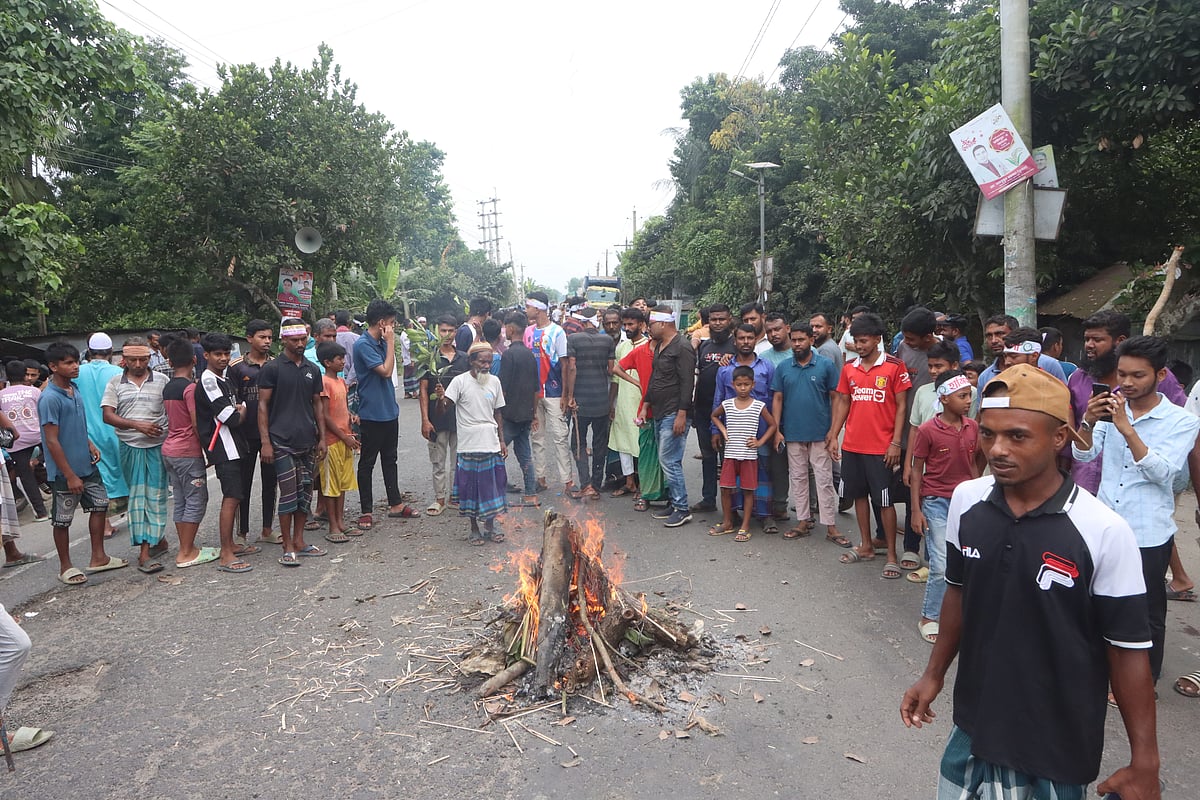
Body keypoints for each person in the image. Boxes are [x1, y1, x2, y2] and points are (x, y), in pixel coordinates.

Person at [901, 363, 1160, 800]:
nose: (998, 449)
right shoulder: (968, 502)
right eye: (987, 433)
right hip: (973, 726)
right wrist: (933, 674)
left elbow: (1128, 650)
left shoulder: (1104, 531)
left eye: (1017, 436)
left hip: (1054, 744)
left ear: (1059, 438)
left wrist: (1145, 761)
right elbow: (959, 593)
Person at [1073, 336, 1198, 694]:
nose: (1126, 383)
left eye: (1137, 376)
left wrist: (1126, 430)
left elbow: (1164, 474)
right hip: (1104, 524)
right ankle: (1098, 669)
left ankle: (1143, 681)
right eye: (1122, 375)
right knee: (1096, 599)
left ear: (1160, 375)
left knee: (1145, 611)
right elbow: (1083, 455)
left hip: (1147, 530)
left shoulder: (1181, 421)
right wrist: (1087, 422)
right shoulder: (1111, 408)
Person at [1066, 310, 1186, 495]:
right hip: (1085, 485)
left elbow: (1181, 426)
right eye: (1086, 339)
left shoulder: (1160, 379)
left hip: (1141, 489)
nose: (1089, 345)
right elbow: (1073, 434)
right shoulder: (1077, 378)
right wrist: (1088, 420)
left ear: (1119, 340)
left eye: (1097, 340)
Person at [828, 312, 911, 578]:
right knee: (858, 496)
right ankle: (865, 545)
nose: (858, 346)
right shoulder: (849, 369)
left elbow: (901, 407)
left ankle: (890, 554)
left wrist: (896, 443)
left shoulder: (894, 367)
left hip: (881, 448)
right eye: (856, 341)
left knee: (884, 501)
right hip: (853, 446)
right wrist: (833, 435)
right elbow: (842, 402)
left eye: (864, 341)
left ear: (877, 339)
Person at [38, 342, 125, 586]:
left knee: (100, 505)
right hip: (64, 472)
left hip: (86, 464)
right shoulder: (49, 398)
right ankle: (65, 565)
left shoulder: (74, 389)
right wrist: (69, 474)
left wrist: (88, 444)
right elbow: (52, 441)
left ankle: (99, 556)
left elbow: (75, 425)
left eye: (76, 361)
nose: (75, 366)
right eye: (68, 362)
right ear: (53, 366)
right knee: (62, 519)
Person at [909, 370, 980, 645]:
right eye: (962, 396)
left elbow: (972, 463)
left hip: (965, 501)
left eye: (969, 396)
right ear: (945, 398)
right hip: (936, 501)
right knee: (940, 563)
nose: (967, 401)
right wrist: (916, 510)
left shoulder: (972, 427)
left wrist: (978, 496)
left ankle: (960, 613)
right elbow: (917, 471)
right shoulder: (928, 430)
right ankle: (929, 616)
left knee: (966, 559)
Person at [259, 320, 327, 567]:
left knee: (305, 494)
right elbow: (263, 406)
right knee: (288, 494)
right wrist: (265, 442)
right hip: (281, 442)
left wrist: (322, 437)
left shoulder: (312, 368)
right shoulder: (273, 368)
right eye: (294, 340)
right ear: (284, 340)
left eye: (302, 339)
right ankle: (287, 545)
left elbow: (317, 404)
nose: (299, 344)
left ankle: (300, 541)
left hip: (307, 441)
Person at [100, 336, 170, 574]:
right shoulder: (114, 383)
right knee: (139, 498)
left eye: (142, 359)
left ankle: (157, 539)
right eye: (133, 359)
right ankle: (144, 552)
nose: (138, 364)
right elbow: (108, 415)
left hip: (158, 447)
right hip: (130, 446)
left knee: (157, 496)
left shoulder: (162, 380)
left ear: (150, 358)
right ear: (124, 360)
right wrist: (137, 425)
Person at [771, 322, 845, 545]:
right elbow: (777, 399)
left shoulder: (825, 365)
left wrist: (833, 432)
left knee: (823, 479)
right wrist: (776, 431)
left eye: (801, 339)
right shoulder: (783, 367)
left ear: (811, 340)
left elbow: (836, 398)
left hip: (820, 433)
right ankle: (803, 521)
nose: (796, 344)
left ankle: (831, 526)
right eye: (793, 340)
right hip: (792, 433)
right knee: (798, 478)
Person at [353, 299, 419, 529]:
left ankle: (396, 504)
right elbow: (386, 371)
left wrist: (387, 342)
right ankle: (366, 510)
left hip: (390, 410)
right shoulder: (363, 344)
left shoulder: (380, 341)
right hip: (372, 413)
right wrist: (391, 342)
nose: (393, 328)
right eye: (391, 323)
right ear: (381, 323)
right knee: (367, 463)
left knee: (390, 459)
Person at [194, 333, 254, 574]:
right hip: (223, 446)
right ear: (206, 355)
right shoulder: (208, 381)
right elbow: (232, 416)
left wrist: (241, 409)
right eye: (217, 354)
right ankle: (225, 554)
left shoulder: (223, 378)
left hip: (235, 445)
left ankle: (231, 545)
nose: (222, 358)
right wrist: (241, 411)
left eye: (226, 354)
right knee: (231, 497)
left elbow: (239, 406)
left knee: (236, 495)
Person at [711, 324, 777, 531]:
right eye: (742, 338)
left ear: (756, 339)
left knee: (763, 472)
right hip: (734, 433)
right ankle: (733, 516)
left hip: (760, 430)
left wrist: (776, 431)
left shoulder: (766, 367)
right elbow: (718, 400)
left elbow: (775, 398)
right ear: (735, 340)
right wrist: (716, 431)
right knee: (732, 475)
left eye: (750, 338)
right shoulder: (725, 370)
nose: (746, 342)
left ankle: (765, 516)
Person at [441, 342, 508, 544]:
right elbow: (444, 409)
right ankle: (474, 528)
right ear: (471, 361)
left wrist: (502, 440)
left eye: (489, 361)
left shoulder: (494, 381)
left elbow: (498, 413)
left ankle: (490, 525)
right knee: (470, 489)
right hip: (469, 445)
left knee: (491, 489)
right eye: (482, 361)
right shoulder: (459, 382)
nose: (486, 365)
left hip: (491, 443)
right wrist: (440, 398)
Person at [159, 337, 217, 570]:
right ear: (195, 359)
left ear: (169, 361)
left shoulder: (168, 387)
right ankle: (186, 552)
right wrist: (208, 451)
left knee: (181, 499)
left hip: (169, 450)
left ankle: (186, 546)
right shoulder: (190, 389)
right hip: (187, 451)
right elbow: (196, 423)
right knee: (196, 498)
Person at [644, 305, 695, 528]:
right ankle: (675, 503)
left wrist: (682, 414)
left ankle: (682, 508)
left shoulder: (682, 347)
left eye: (651, 324)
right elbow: (655, 378)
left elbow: (687, 382)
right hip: (660, 410)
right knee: (668, 460)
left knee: (669, 460)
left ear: (663, 323)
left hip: (674, 412)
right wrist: (646, 404)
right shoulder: (660, 346)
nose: (649, 328)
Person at [228, 319, 278, 545]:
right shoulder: (236, 367)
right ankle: (241, 533)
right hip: (245, 435)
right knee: (243, 484)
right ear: (249, 338)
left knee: (270, 482)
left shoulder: (276, 365)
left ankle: (268, 529)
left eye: (269, 337)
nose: (267, 341)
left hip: (271, 433)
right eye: (262, 337)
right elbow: (232, 401)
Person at [75, 332, 127, 538]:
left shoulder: (78, 373)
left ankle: (104, 524)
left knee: (99, 478)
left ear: (89, 351)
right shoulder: (118, 371)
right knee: (126, 472)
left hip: (88, 433)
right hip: (116, 429)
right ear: (110, 352)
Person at [613, 308, 666, 506]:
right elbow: (616, 369)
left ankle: (665, 495)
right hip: (638, 408)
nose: (627, 328)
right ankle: (643, 492)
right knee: (644, 454)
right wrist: (636, 383)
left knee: (663, 455)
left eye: (631, 324)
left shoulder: (666, 349)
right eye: (624, 324)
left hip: (662, 409)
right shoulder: (633, 349)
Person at [524, 291, 573, 496]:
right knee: (537, 436)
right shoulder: (527, 332)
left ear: (538, 308)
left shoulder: (557, 332)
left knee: (560, 437)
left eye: (528, 306)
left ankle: (568, 481)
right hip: (534, 394)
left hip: (553, 392)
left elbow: (565, 364)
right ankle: (541, 478)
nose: (526, 310)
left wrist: (565, 394)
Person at [564, 307, 616, 500]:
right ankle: (596, 485)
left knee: (578, 443)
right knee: (600, 444)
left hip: (580, 401)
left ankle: (585, 484)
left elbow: (572, 367)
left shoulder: (574, 339)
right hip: (601, 400)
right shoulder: (608, 341)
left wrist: (570, 396)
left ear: (581, 322)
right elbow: (611, 370)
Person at [419, 316, 467, 516]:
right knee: (438, 461)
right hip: (436, 419)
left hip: (460, 419)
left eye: (450, 331)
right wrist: (424, 420)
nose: (446, 335)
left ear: (456, 332)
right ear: (437, 331)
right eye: (443, 331)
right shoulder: (428, 358)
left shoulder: (464, 359)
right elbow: (422, 391)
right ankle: (440, 498)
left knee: (459, 460)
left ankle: (455, 497)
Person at [691, 304, 736, 512]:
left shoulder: (737, 345)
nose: (717, 323)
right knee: (707, 457)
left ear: (729, 320)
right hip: (702, 410)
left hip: (728, 414)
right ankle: (708, 499)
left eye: (722, 319)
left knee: (729, 460)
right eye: (714, 319)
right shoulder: (704, 346)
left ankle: (732, 506)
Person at [317, 341, 360, 544]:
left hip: (345, 438)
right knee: (330, 486)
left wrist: (350, 416)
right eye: (339, 359)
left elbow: (341, 408)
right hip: (333, 440)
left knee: (341, 485)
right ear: (327, 362)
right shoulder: (324, 383)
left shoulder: (341, 382)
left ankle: (341, 522)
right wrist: (343, 436)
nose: (343, 362)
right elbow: (325, 415)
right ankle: (333, 524)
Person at [498, 312, 539, 507]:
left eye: (506, 327)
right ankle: (531, 493)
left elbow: (502, 390)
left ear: (511, 329)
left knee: (496, 452)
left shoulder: (508, 355)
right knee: (524, 454)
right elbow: (535, 389)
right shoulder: (530, 354)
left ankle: (496, 494)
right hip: (525, 414)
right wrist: (534, 414)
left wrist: (495, 413)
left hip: (509, 415)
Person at [0, 360, 48, 521]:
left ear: (7, 376)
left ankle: (41, 512)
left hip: (16, 442)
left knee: (26, 477)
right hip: (38, 436)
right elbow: (43, 412)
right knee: (51, 464)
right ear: (24, 375)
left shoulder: (1, 396)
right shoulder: (34, 392)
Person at [976, 314, 1066, 391]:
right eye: (989, 336)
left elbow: (1065, 402)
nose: (994, 340)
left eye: (1000, 334)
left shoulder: (1049, 364)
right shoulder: (985, 377)